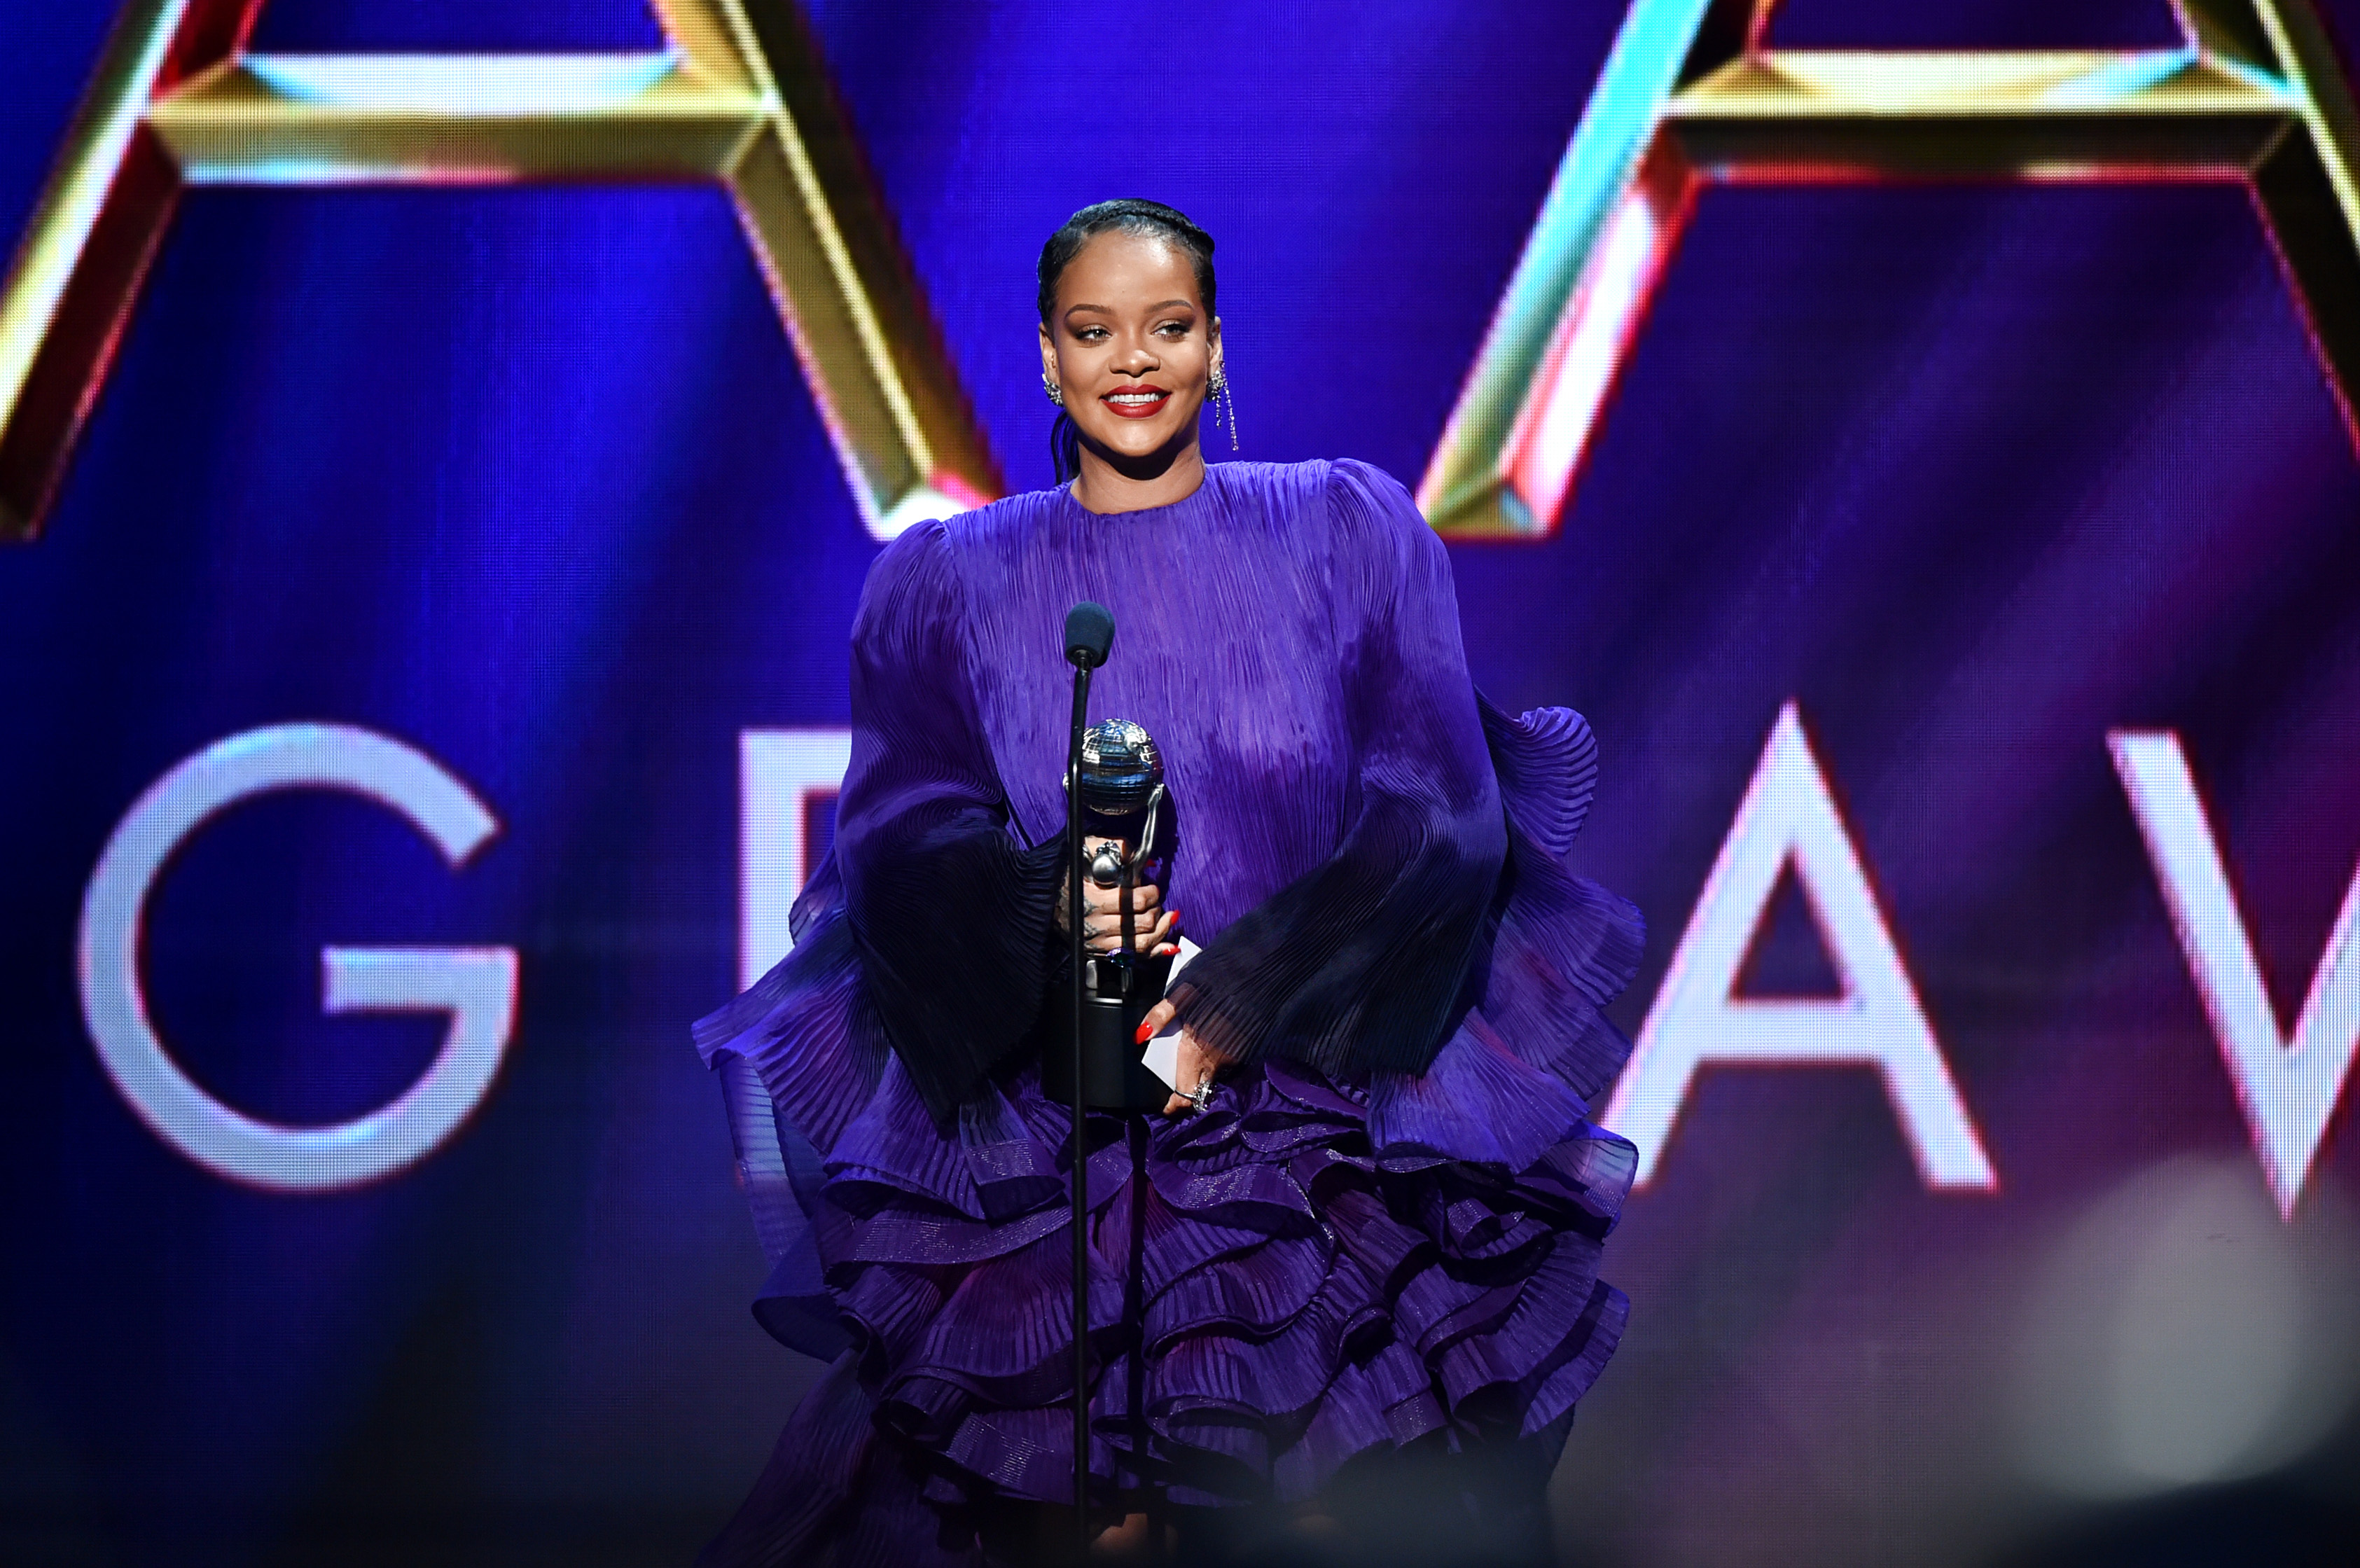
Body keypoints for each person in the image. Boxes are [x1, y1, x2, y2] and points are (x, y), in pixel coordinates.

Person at [691, 199, 1641, 1567]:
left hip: (1323, 1156)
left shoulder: (1343, 532)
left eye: (1166, 327)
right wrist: (1042, 908)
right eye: (1092, 331)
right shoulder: (947, 583)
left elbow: (1437, 817)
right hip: (1049, 1159)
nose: (1129, 360)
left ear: (1212, 348)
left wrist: (1228, 1005)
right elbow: (896, 840)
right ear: (1043, 357)